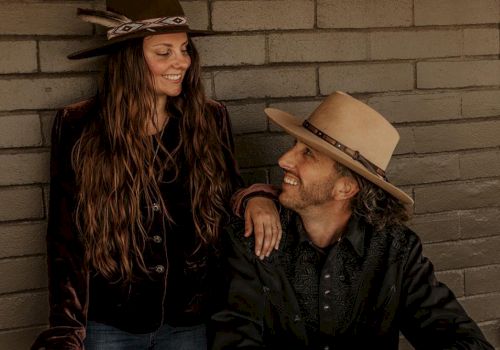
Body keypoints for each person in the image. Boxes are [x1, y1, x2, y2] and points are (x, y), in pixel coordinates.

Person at [31, 1, 280, 349]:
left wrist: (257, 196)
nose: (181, 61)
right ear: (131, 58)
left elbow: (227, 196)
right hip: (110, 322)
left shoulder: (209, 120)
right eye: (164, 52)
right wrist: (66, 330)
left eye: (184, 49)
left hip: (189, 319)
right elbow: (65, 239)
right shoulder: (79, 126)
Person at [211, 92, 494, 349]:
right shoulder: (249, 240)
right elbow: (232, 340)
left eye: (307, 153)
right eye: (294, 145)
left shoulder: (396, 249)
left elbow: (466, 341)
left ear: (345, 188)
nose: (284, 159)